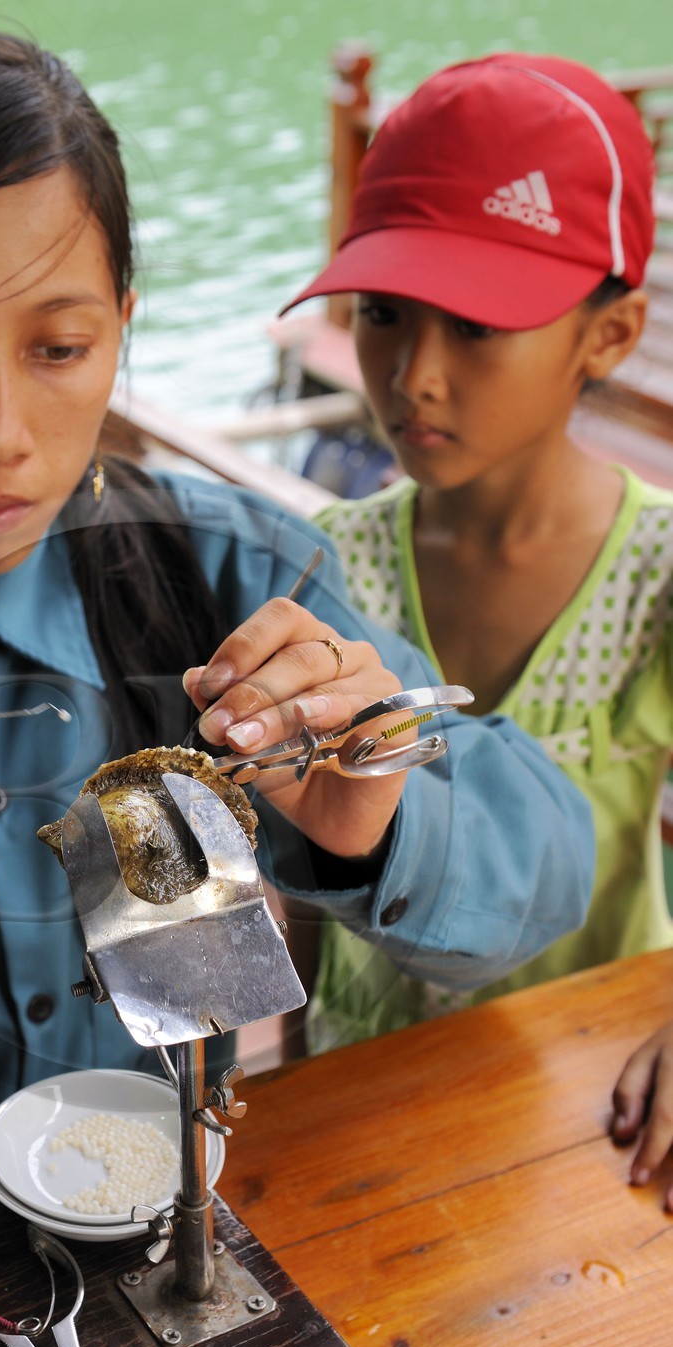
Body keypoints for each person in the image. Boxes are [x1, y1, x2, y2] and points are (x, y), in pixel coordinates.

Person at [0, 26, 595, 1224]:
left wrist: (371, 822)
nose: (0, 430)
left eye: (61, 347)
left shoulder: (225, 578)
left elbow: (550, 869)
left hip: (169, 1278)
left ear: (123, 324)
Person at [285, 52, 673, 1210]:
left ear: (606, 338)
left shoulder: (656, 577)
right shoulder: (326, 566)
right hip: (356, 1076)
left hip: (592, 1105)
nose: (414, 377)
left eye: (476, 328)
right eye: (383, 317)